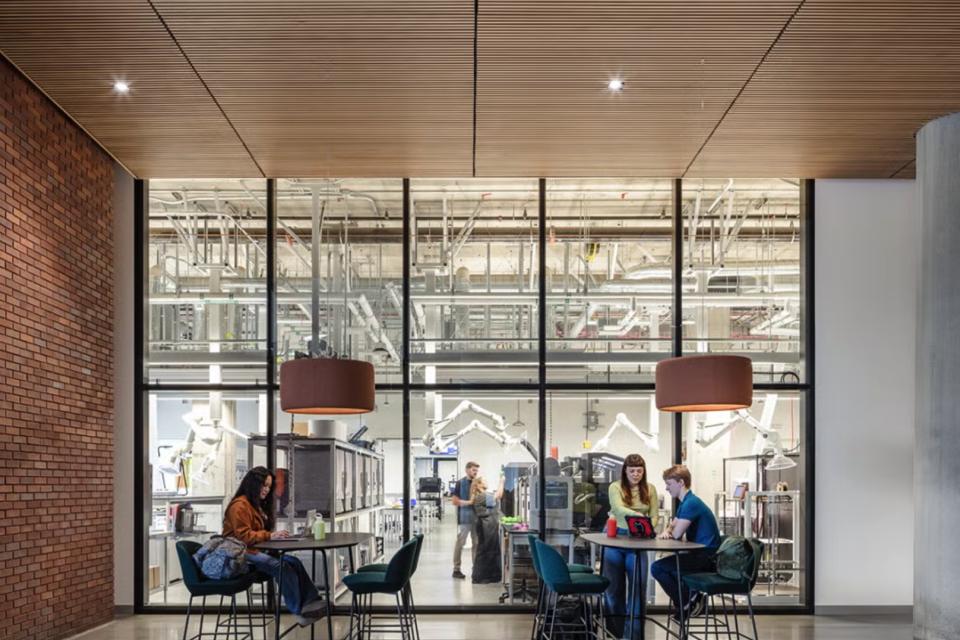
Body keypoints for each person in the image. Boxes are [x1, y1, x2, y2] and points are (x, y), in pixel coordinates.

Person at [222, 466, 325, 627]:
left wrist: (274, 537)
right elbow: (243, 536)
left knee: (294, 562)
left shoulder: (255, 505)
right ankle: (299, 610)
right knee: (280, 566)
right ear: (254, 485)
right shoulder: (240, 506)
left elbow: (257, 534)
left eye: (269, 487)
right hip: (238, 551)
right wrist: (270, 536)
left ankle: (313, 602)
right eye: (264, 485)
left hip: (252, 549)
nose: (266, 490)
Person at [651, 464, 721, 620]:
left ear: (681, 482)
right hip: (700, 555)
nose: (667, 488)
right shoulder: (686, 502)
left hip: (706, 558)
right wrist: (669, 530)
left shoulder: (691, 503)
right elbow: (672, 525)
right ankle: (689, 601)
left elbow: (675, 534)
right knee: (670, 570)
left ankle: (688, 602)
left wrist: (670, 532)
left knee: (657, 568)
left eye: (669, 484)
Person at [602, 453, 659, 640]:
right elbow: (618, 509)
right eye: (632, 471)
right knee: (613, 591)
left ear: (644, 472)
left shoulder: (650, 489)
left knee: (637, 592)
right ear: (625, 471)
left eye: (639, 471)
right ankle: (614, 635)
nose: (636, 474)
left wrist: (650, 524)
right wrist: (640, 517)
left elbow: (655, 514)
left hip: (638, 542)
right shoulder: (615, 487)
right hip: (616, 539)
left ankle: (633, 637)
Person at [469, 475, 505, 584]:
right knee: (485, 551)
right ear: (478, 484)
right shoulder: (481, 496)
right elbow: (498, 495)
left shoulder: (483, 495)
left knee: (490, 550)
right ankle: (479, 577)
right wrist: (502, 481)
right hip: (486, 526)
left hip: (488, 525)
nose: (486, 481)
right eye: (484, 480)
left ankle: (491, 576)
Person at [450, 461, 480, 579]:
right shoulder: (460, 483)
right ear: (467, 470)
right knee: (460, 543)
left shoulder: (478, 483)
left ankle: (476, 568)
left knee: (476, 543)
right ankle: (456, 569)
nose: (475, 472)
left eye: (476, 470)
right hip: (464, 517)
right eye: (473, 470)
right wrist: (468, 502)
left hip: (477, 518)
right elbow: (454, 501)